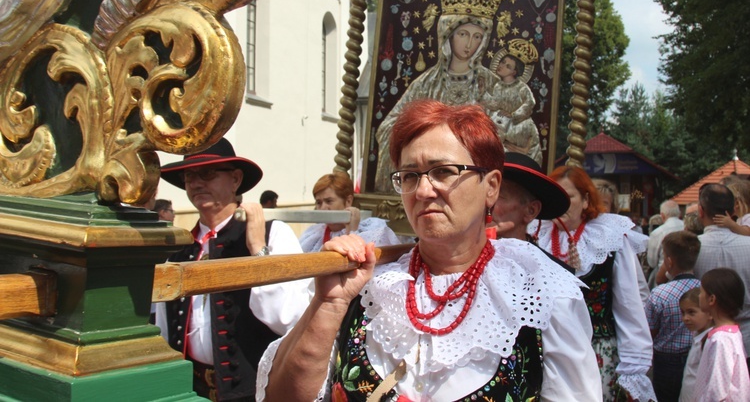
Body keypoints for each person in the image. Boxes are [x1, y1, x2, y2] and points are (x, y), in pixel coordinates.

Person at [258, 100, 602, 401]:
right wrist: (330, 304)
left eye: (443, 171)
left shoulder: (541, 297)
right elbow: (282, 397)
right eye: (409, 176)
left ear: (491, 187)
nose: (423, 190)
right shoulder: (371, 287)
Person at [156, 138, 311, 400]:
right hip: (189, 390)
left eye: (207, 174)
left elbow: (288, 318)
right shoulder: (178, 248)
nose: (196, 183)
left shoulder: (272, 234)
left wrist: (258, 249)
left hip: (254, 392)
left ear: (236, 180)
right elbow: (164, 327)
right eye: (189, 176)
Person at [532, 166, 656, 402]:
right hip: (546, 352)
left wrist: (634, 366)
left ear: (586, 199)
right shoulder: (536, 234)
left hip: (597, 352)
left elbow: (629, 305)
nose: (560, 205)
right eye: (555, 197)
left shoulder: (608, 237)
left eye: (568, 197)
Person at [372, 0, 502, 192]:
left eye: (476, 36)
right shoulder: (426, 82)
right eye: (463, 34)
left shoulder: (492, 83)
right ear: (448, 34)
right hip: (429, 180)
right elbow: (388, 127)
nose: (470, 44)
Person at [692, 183, 750, 364]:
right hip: (746, 337)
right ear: (733, 210)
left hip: (703, 337)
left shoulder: (690, 247)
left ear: (701, 211)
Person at [644, 231, 701, 402]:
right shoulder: (703, 289)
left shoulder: (659, 294)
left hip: (666, 361)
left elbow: (650, 331)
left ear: (668, 262)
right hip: (696, 355)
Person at [298, 171, 405, 253]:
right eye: (319, 203)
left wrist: (352, 230)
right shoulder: (313, 233)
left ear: (348, 201)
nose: (323, 208)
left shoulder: (373, 229)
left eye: (329, 201)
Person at [694, 268, 750, 400]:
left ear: (712, 299)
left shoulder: (721, 340)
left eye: (701, 292)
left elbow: (717, 390)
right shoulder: (732, 332)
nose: (698, 296)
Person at [483, 42, 542, 165]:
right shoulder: (498, 86)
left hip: (519, 125)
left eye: (508, 66)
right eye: (503, 62)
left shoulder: (521, 87)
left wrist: (514, 115)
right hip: (502, 122)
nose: (502, 66)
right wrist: (482, 93)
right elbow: (495, 103)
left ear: (514, 72)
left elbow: (529, 103)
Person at [678, 288, 712, 402]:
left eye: (691, 312)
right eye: (683, 313)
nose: (685, 318)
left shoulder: (710, 341)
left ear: (709, 313)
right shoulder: (697, 336)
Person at [647, 200, 684, 288]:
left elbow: (652, 262)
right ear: (679, 214)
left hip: (664, 280)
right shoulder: (686, 227)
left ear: (662, 215)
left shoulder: (657, 233)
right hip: (686, 276)